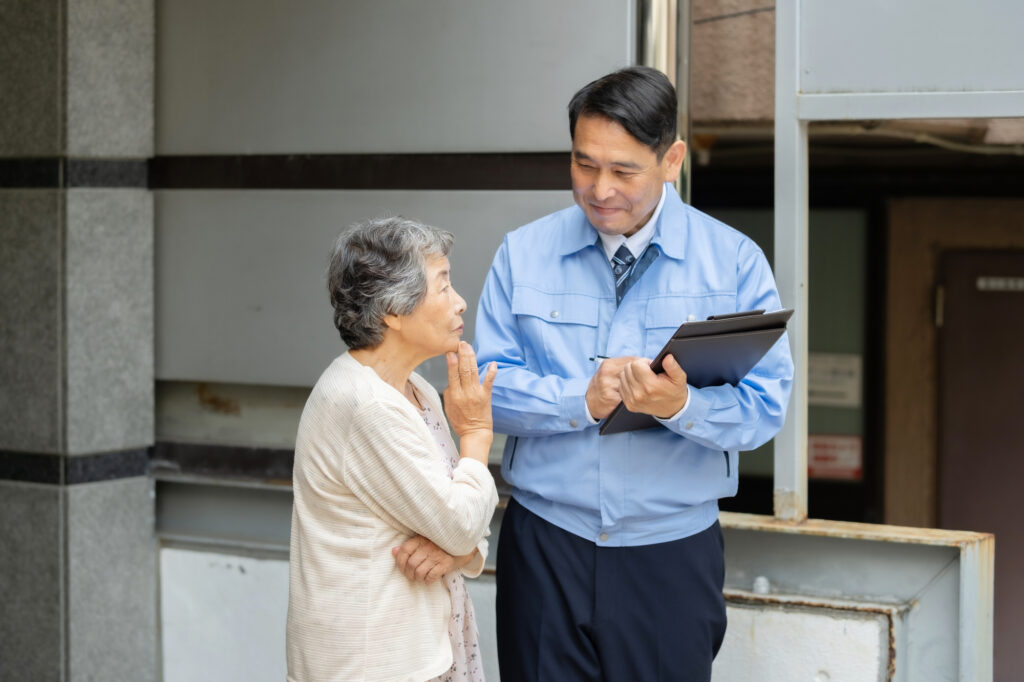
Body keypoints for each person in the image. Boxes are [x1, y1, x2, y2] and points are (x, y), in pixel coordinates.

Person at [474, 66, 794, 681]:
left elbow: (765, 408)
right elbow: (483, 393)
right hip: (547, 541)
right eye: (583, 164)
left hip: (670, 551)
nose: (600, 189)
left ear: (671, 160)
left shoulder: (732, 262)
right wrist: (579, 400)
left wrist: (681, 408)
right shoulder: (523, 253)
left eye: (624, 171)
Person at [287, 216, 499, 682]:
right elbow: (462, 519)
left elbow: (461, 521)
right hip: (373, 665)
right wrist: (478, 434)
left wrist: (459, 553)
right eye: (443, 287)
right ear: (393, 312)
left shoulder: (414, 389)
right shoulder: (364, 405)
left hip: (425, 653)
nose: (461, 301)